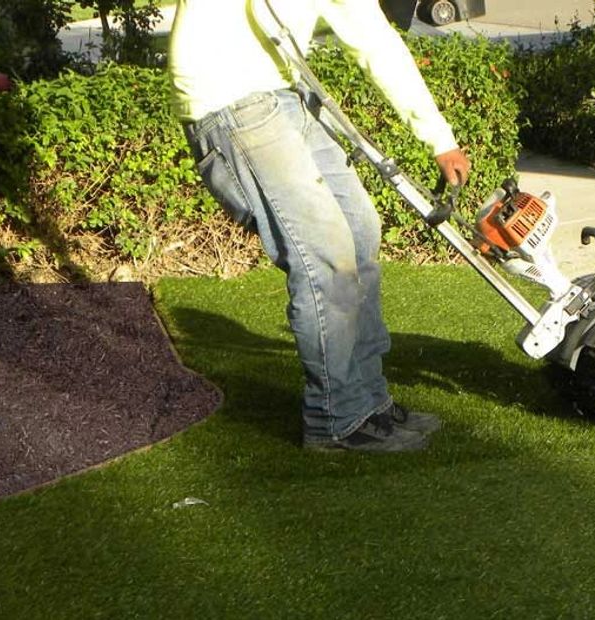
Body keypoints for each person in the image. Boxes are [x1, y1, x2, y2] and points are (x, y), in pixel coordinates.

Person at [169, 0, 471, 452]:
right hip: (228, 97)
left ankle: (369, 401)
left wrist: (439, 140)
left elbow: (375, 41)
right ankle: (337, 419)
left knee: (361, 229)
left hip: (282, 94)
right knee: (324, 253)